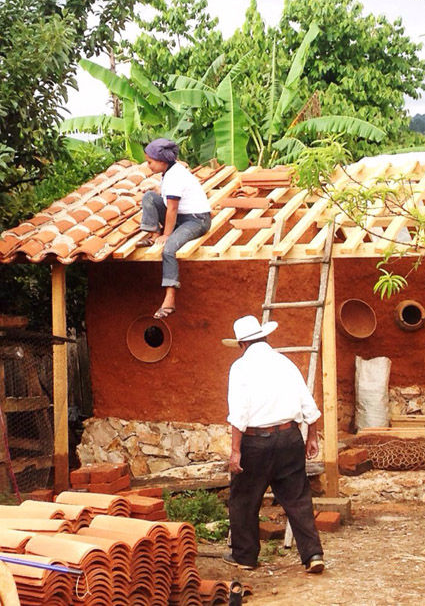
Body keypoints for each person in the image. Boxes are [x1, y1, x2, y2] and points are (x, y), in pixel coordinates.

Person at [222, 315, 325, 574]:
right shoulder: (285, 363)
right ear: (264, 337)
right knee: (298, 498)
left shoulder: (240, 368)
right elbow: (308, 404)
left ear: (242, 345)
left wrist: (235, 451)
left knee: (244, 499)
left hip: (256, 442)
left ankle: (245, 557)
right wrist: (312, 436)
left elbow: (239, 414)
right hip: (290, 437)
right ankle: (313, 554)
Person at [136, 137, 212, 319]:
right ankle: (153, 234)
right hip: (180, 217)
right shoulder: (169, 172)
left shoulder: (176, 176)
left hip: (195, 220)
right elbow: (165, 201)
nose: (148, 166)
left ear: (162, 161)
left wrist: (168, 235)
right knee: (148, 197)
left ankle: (169, 299)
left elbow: (172, 208)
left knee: (169, 249)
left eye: (150, 162)